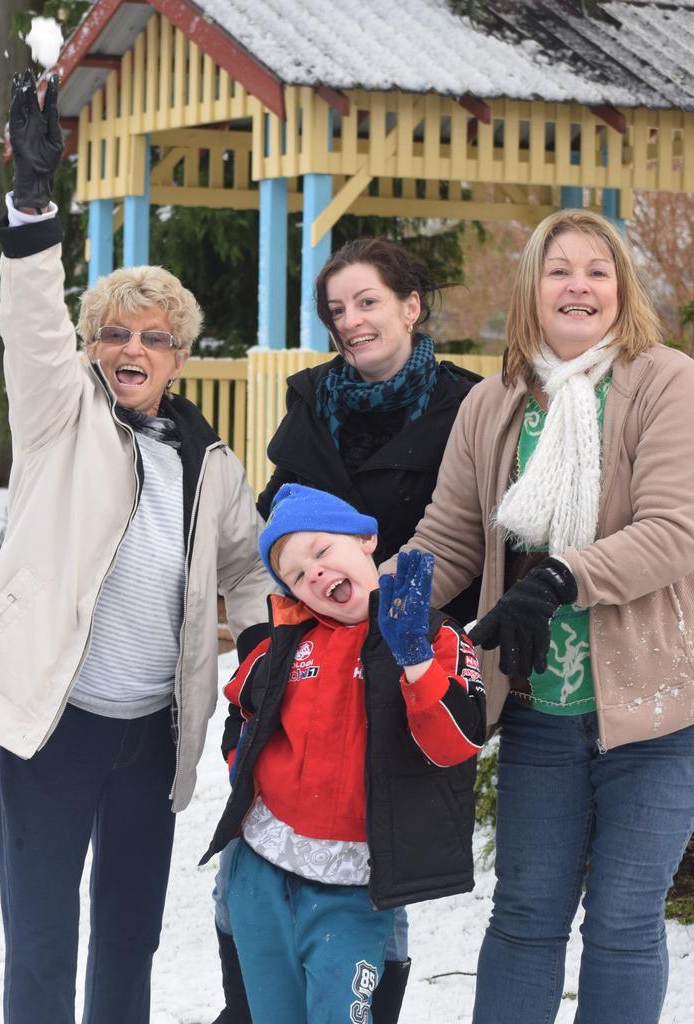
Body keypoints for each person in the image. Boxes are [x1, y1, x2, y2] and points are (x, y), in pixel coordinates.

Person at [0, 71, 273, 1024]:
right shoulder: (59, 416)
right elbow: (31, 324)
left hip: (153, 736)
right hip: (56, 727)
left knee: (129, 939)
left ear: (179, 354)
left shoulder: (212, 464)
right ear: (91, 347)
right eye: (113, 333)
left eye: (153, 337)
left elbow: (246, 574)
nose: (132, 347)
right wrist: (33, 205)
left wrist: (263, 663)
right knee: (42, 942)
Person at [381, 208, 694, 1024]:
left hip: (655, 713)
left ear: (621, 289)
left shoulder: (666, 382)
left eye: (598, 270)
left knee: (625, 925)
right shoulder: (495, 405)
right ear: (533, 289)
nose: (579, 285)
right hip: (536, 712)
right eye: (560, 270)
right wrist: (364, 593)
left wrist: (561, 577)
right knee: (523, 920)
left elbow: (674, 532)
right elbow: (445, 539)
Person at [211, 235, 483, 1023]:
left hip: (403, 648)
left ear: (410, 305)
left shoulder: (463, 405)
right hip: (310, 638)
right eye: (337, 310)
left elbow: (480, 526)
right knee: (260, 981)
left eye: (368, 301)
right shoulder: (311, 405)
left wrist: (416, 633)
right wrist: (294, 596)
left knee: (349, 968)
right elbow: (280, 517)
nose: (352, 321)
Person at [201, 484, 486, 1023]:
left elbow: (457, 745)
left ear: (366, 539)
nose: (313, 573)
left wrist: (415, 662)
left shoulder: (433, 637)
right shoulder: (284, 644)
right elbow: (242, 705)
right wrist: (243, 764)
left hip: (354, 890)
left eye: (322, 550)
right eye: (296, 574)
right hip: (264, 870)